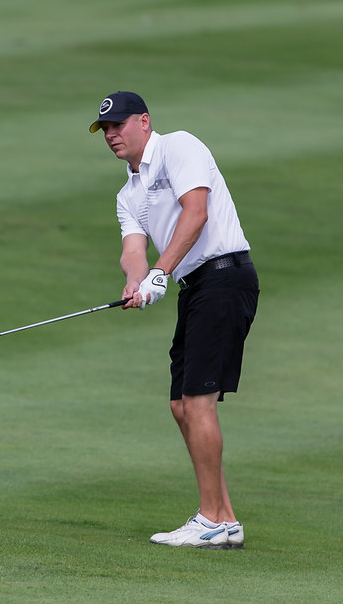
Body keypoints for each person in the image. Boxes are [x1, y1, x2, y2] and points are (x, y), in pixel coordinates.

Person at [89, 91, 258, 548]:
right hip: (196, 288)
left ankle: (212, 520)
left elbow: (196, 213)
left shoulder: (179, 146)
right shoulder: (128, 193)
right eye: (104, 129)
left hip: (225, 277)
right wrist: (136, 282)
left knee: (198, 400)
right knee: (181, 405)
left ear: (144, 121)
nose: (111, 135)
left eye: (118, 125)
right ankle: (223, 517)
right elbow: (132, 251)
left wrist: (160, 273)